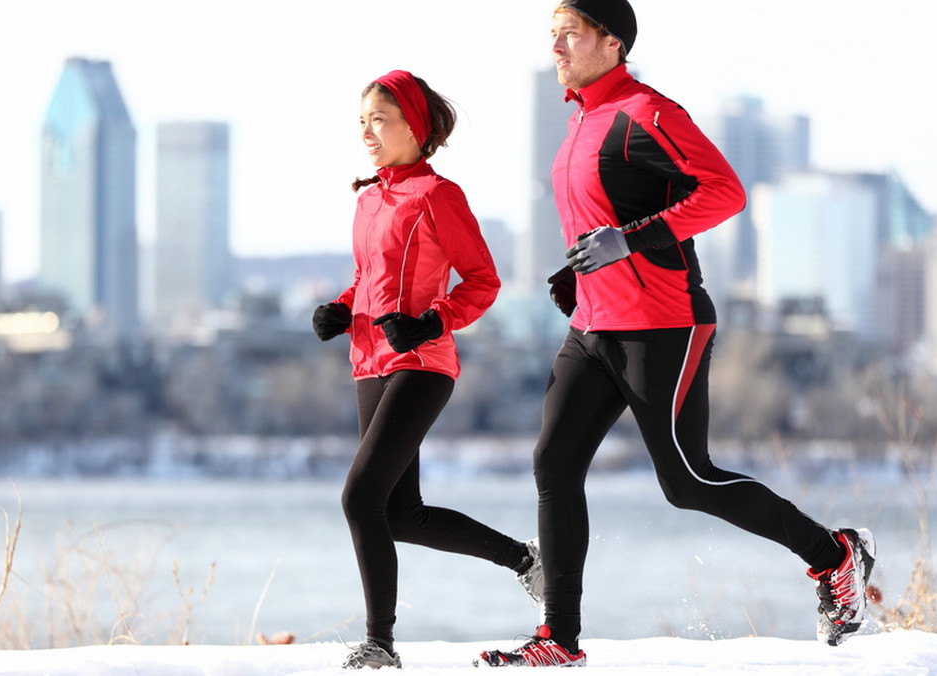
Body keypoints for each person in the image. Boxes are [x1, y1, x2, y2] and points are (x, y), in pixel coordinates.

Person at [477, 1, 876, 667]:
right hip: (593, 327)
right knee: (553, 463)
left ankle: (834, 554)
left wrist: (626, 245)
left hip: (663, 324)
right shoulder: (580, 119)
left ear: (611, 41)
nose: (557, 48)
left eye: (569, 34)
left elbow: (724, 193)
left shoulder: (647, 112)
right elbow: (607, 221)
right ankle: (558, 640)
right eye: (552, 36)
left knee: (687, 480)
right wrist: (578, 271)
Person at [313, 69, 542, 670]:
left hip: (421, 361)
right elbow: (369, 277)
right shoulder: (368, 199)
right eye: (361, 120)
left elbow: (483, 281)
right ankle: (524, 559)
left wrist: (433, 321)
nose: (367, 131)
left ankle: (379, 643)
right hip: (368, 361)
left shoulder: (440, 196)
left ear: (414, 126)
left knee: (361, 497)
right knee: (400, 513)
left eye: (379, 119)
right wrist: (341, 307)